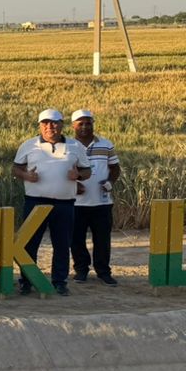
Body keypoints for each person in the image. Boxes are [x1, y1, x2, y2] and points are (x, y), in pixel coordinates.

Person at [12, 109, 91, 296]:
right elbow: (15, 169)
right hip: (35, 202)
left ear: (61, 124)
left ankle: (60, 281)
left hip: (64, 203)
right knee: (30, 244)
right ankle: (26, 280)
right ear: (40, 126)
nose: (50, 127)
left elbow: (87, 171)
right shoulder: (28, 145)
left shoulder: (75, 146)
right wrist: (26, 175)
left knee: (62, 244)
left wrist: (78, 175)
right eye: (45, 123)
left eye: (54, 123)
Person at [70, 109, 120, 286]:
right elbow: (61, 171)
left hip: (102, 202)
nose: (85, 127)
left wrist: (110, 182)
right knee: (76, 239)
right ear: (73, 126)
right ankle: (81, 270)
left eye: (88, 123)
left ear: (93, 124)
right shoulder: (68, 146)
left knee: (102, 240)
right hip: (76, 202)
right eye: (80, 123)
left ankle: (103, 272)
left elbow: (115, 168)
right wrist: (74, 185)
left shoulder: (106, 145)